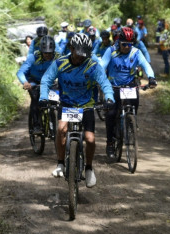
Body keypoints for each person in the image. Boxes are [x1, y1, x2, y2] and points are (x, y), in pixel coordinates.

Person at [39, 33, 115, 187]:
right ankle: (60, 163)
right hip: (66, 105)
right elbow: (46, 80)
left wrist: (109, 98)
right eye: (78, 54)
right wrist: (43, 97)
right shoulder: (59, 63)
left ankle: (88, 168)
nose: (81, 58)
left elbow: (105, 83)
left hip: (86, 106)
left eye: (84, 55)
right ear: (71, 48)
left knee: (90, 139)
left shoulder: (92, 65)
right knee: (61, 129)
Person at [99, 27, 157, 158]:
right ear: (119, 41)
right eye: (124, 44)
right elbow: (102, 65)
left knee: (134, 105)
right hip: (113, 86)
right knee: (111, 113)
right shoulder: (111, 51)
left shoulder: (136, 52)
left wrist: (151, 78)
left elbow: (146, 65)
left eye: (130, 44)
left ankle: (130, 122)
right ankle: (109, 143)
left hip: (130, 85)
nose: (127, 47)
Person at [17, 35, 60, 135]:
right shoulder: (33, 57)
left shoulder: (58, 58)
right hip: (34, 82)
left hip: (50, 83)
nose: (48, 56)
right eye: (45, 53)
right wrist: (25, 83)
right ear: (41, 51)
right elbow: (20, 72)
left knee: (57, 102)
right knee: (35, 100)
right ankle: (36, 125)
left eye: (50, 53)